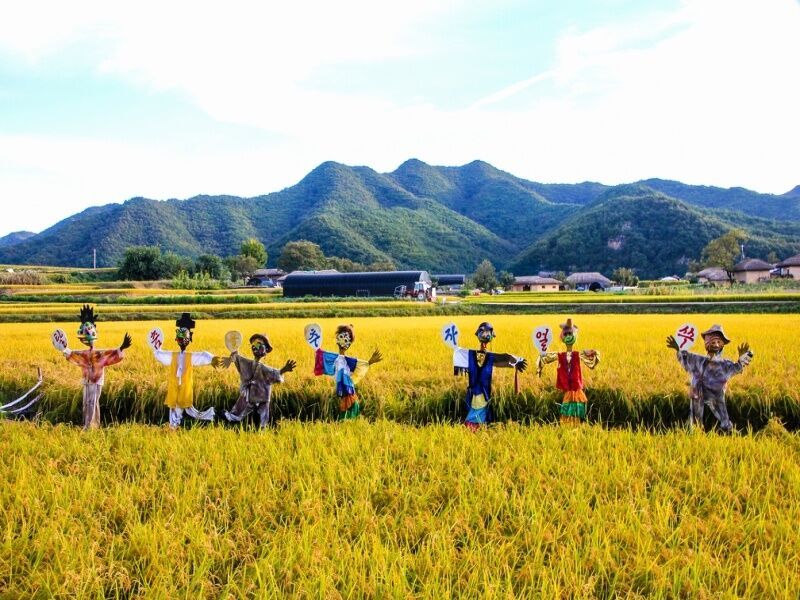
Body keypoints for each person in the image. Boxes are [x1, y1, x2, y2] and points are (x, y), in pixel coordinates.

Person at [53, 305, 131, 429]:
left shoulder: (99, 354)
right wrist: (64, 349)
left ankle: (91, 426)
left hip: (96, 382)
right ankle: (88, 424)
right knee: (86, 403)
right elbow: (73, 355)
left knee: (93, 403)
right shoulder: (84, 354)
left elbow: (111, 355)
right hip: (86, 381)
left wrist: (121, 348)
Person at [667, 324, 753, 433]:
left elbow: (736, 368)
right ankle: (696, 432)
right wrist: (678, 348)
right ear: (707, 344)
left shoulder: (724, 364)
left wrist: (741, 360)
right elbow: (686, 357)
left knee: (723, 415)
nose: (716, 345)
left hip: (716, 394)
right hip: (698, 392)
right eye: (713, 342)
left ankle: (728, 430)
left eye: (718, 342)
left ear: (722, 345)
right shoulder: (699, 360)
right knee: (695, 415)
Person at [448, 321, 527, 430]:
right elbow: (503, 358)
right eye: (483, 333)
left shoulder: (480, 356)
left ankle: (476, 427)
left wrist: (515, 361)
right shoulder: (474, 355)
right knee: (476, 408)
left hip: (483, 391)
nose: (485, 336)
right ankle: (474, 427)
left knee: (480, 409)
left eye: (487, 333)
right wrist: (515, 361)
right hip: (476, 390)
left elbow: (503, 358)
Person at [149, 313, 220, 429]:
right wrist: (156, 349)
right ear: (176, 338)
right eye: (180, 338)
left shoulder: (189, 356)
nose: (182, 340)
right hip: (174, 386)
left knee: (187, 409)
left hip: (184, 387)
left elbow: (202, 355)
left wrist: (211, 358)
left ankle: (209, 415)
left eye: (185, 338)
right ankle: (175, 425)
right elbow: (161, 355)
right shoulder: (174, 355)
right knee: (178, 408)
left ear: (189, 338)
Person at [220, 332, 295, 428]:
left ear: (266, 349)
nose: (255, 347)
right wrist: (230, 358)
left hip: (262, 397)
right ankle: (231, 419)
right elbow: (237, 357)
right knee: (240, 409)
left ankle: (263, 428)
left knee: (264, 415)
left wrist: (284, 370)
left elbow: (275, 374)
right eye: (253, 345)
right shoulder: (247, 363)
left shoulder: (265, 369)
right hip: (248, 396)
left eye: (259, 344)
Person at [536, 319, 599, 425]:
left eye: (570, 333)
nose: (568, 336)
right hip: (567, 388)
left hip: (576, 388)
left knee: (576, 409)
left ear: (574, 336)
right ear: (562, 337)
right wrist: (539, 369)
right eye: (566, 334)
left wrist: (593, 352)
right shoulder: (560, 355)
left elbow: (593, 361)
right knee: (567, 409)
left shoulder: (578, 354)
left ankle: (577, 425)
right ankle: (568, 426)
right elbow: (544, 358)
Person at [312, 324, 382, 420]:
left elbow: (359, 368)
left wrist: (369, 362)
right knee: (344, 417)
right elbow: (322, 360)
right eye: (341, 337)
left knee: (349, 417)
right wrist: (317, 350)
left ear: (349, 344)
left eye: (346, 340)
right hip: (342, 394)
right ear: (337, 339)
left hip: (349, 393)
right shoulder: (333, 358)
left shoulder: (349, 362)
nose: (343, 342)